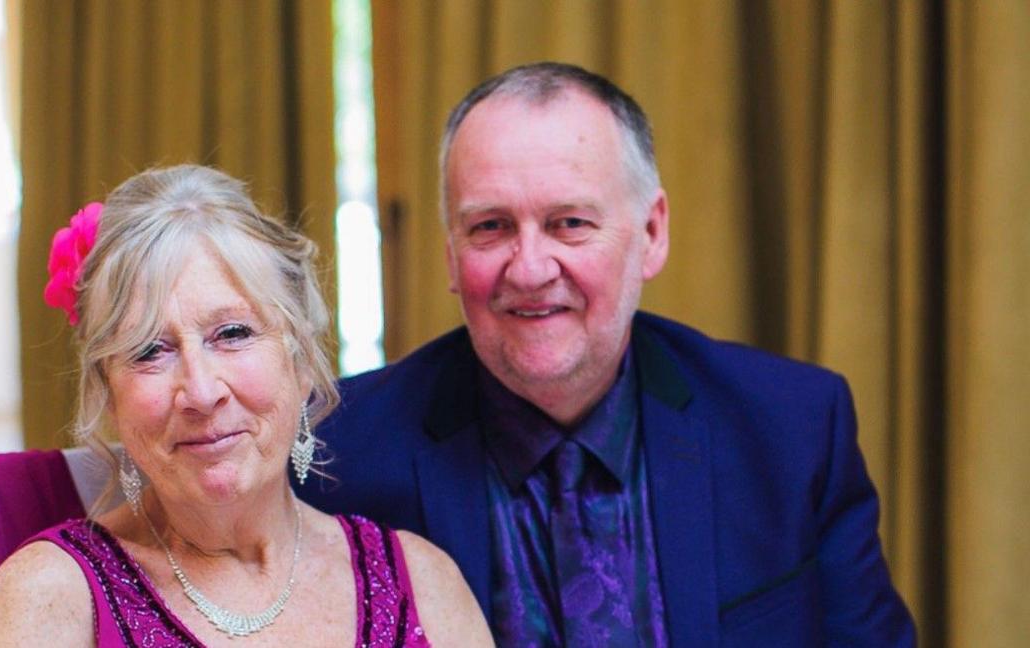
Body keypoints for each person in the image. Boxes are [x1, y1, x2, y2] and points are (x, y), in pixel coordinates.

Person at [296, 62, 917, 646]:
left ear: (651, 233)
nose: (531, 268)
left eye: (569, 222)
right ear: (451, 255)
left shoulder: (792, 429)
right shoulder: (334, 456)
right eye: (490, 226)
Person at [0, 165, 492, 647]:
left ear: (302, 361)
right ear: (109, 394)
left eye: (233, 333)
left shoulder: (422, 582)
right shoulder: (50, 597)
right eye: (150, 350)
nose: (200, 392)